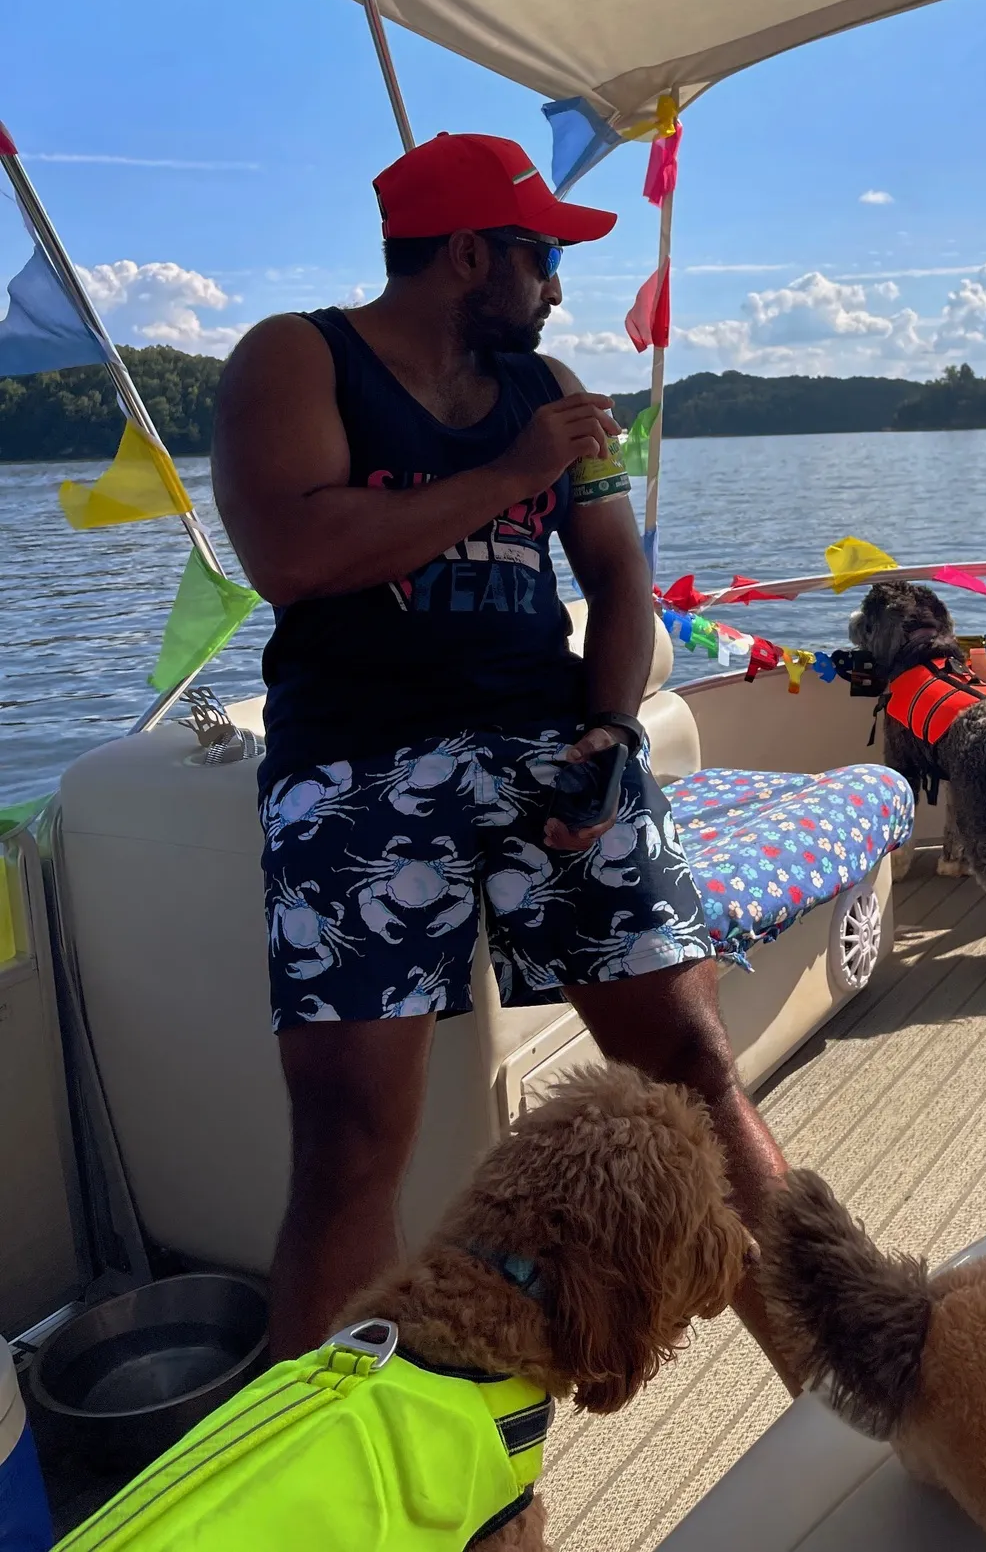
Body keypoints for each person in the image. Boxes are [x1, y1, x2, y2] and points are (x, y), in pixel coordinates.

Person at [212, 132, 793, 1379]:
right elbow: (297, 557)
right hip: (359, 769)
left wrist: (612, 730)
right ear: (470, 255)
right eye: (540, 258)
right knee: (353, 1140)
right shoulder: (293, 358)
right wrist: (513, 469)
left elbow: (618, 579)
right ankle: (310, 1474)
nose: (557, 289)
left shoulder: (553, 387)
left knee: (692, 1064)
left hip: (556, 746)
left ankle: (841, 1377)